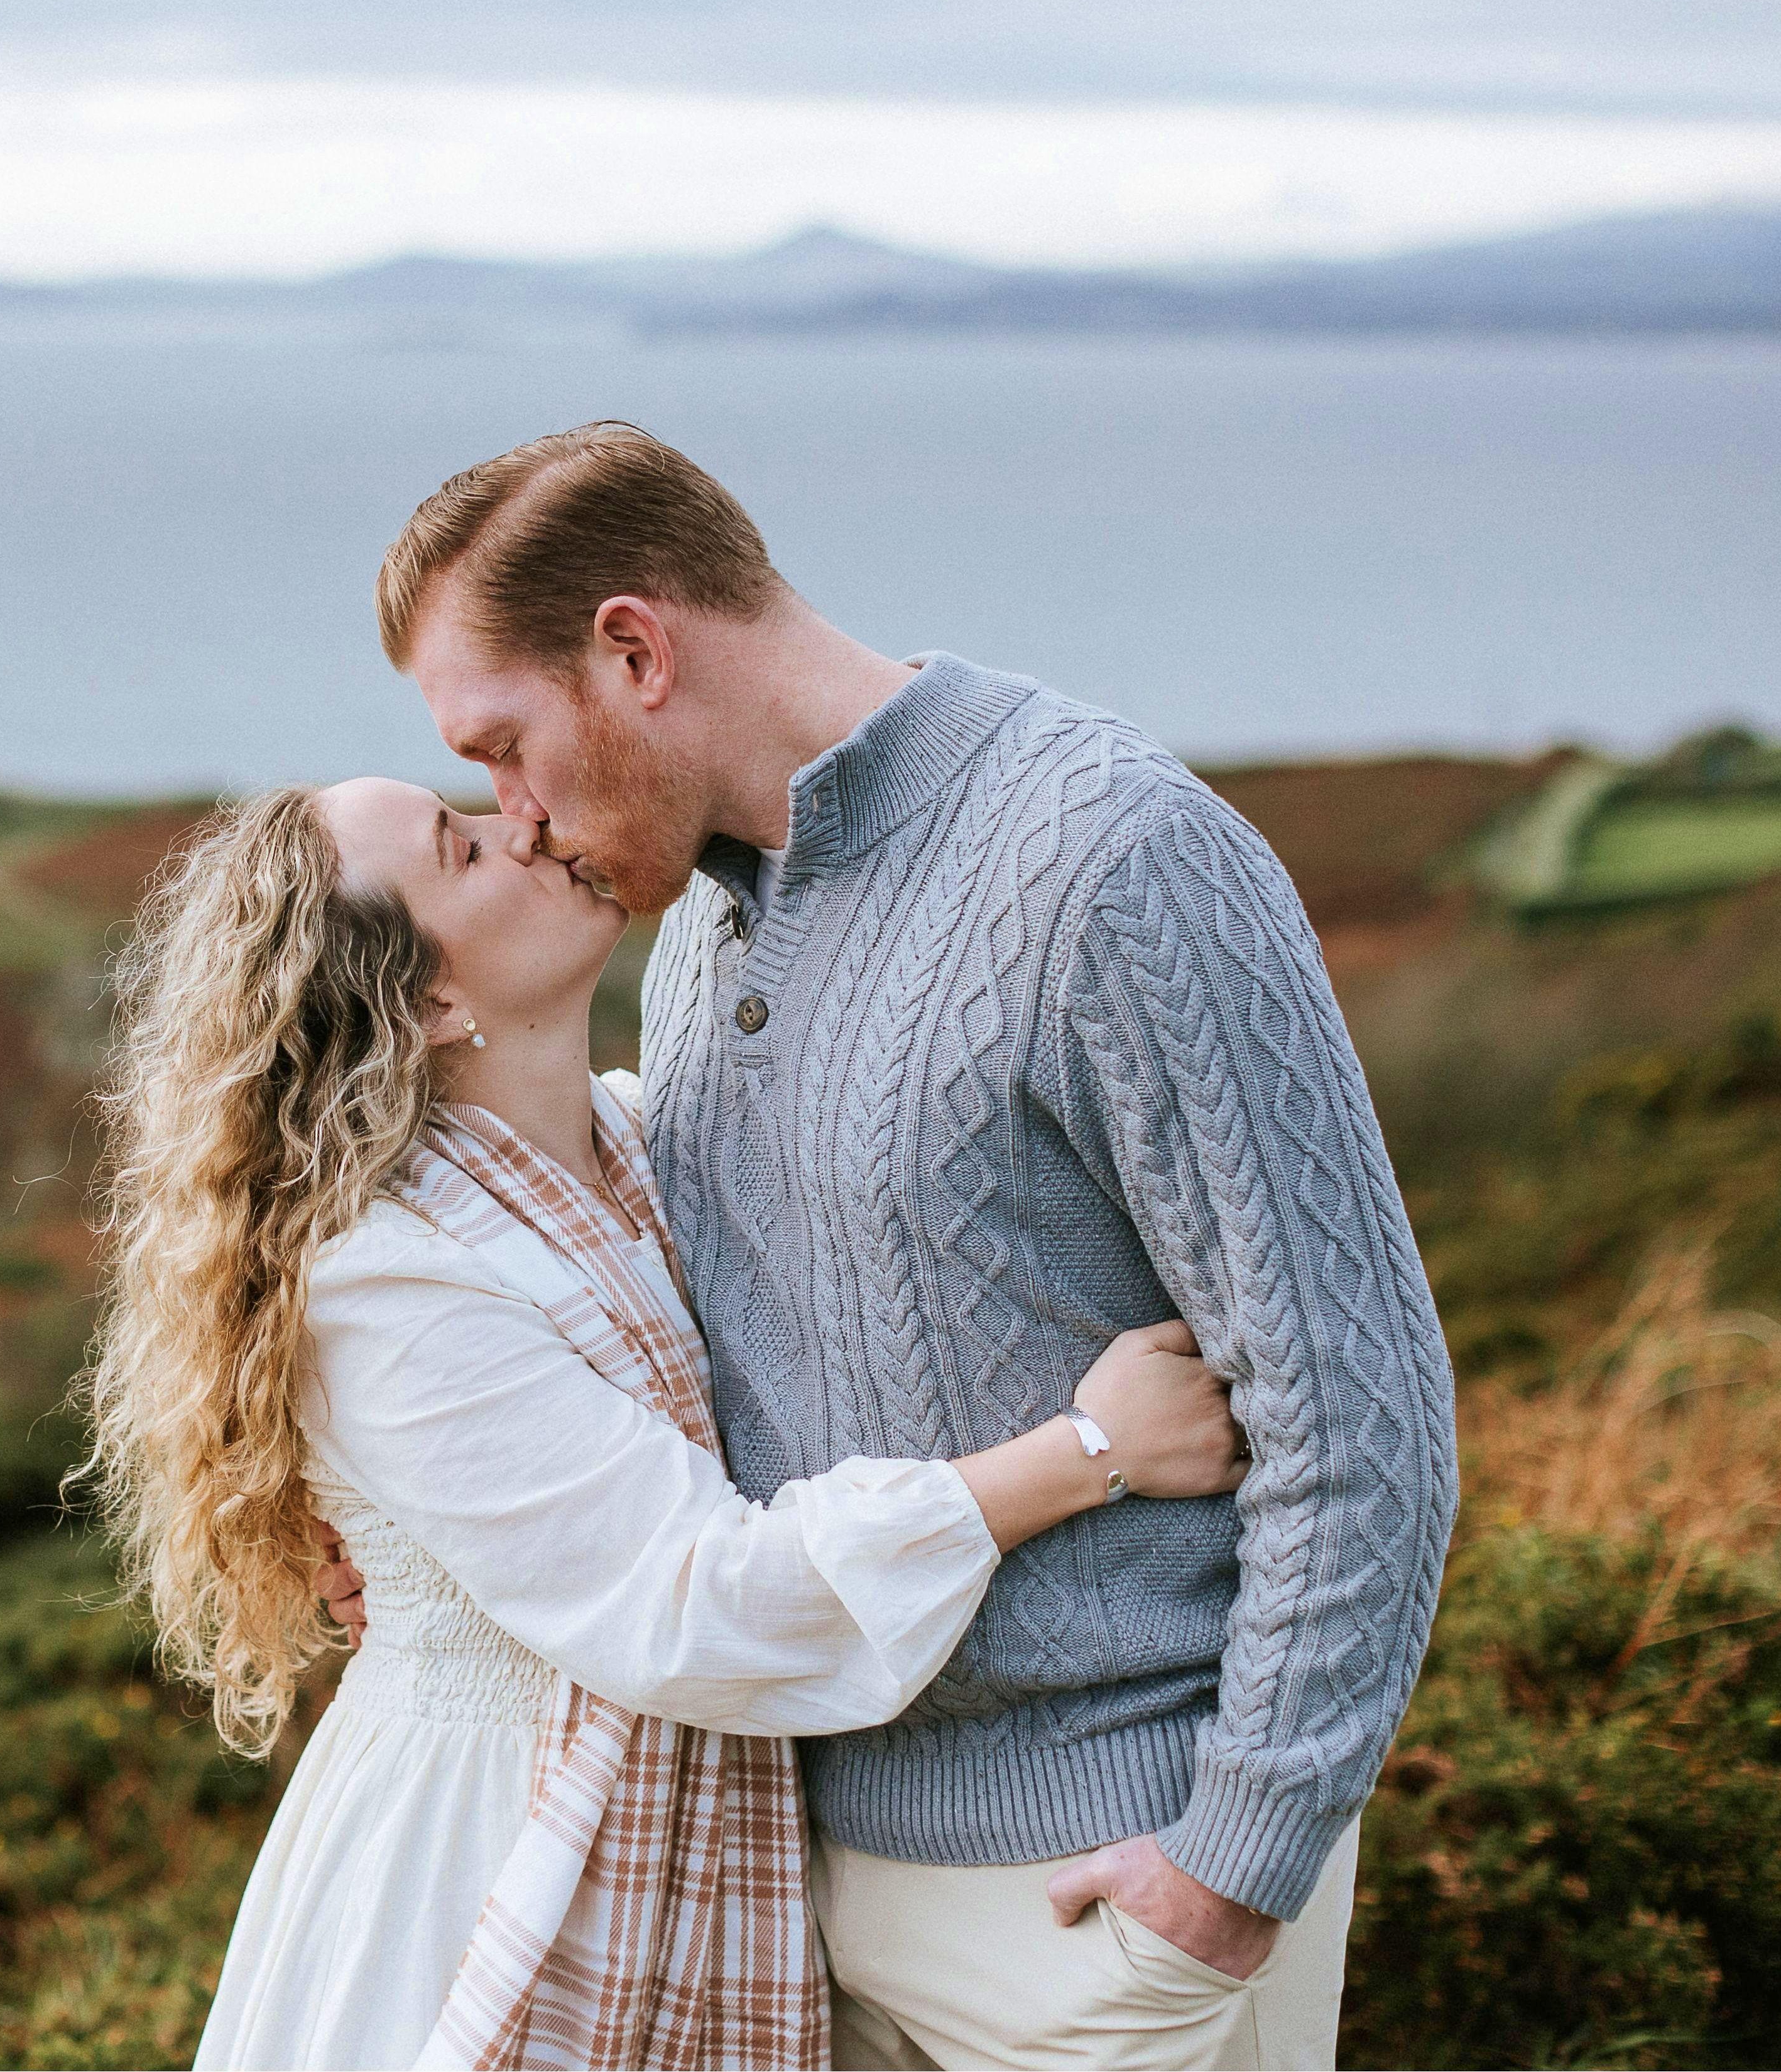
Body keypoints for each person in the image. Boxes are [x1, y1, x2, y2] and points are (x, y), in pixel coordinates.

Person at [365, 421, 1461, 2071]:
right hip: (795, 1894)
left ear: (632, 652)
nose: (512, 815)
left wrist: (1227, 1870)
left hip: (1094, 1908)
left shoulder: (1108, 855)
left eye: (505, 746)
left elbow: (1363, 1401)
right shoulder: (694, 936)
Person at [77, 780, 1250, 2072]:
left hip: (728, 1821)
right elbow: (692, 1593)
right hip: (481, 1848)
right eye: (461, 848)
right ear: (426, 1001)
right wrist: (1088, 1452)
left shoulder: (641, 1142)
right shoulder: (385, 1281)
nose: (524, 823)